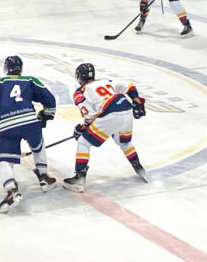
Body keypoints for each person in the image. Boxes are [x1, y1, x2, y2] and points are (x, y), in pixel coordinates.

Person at [0, 55, 58, 213]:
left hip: (6, 125)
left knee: (5, 161)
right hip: (29, 120)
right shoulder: (30, 80)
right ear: (21, 69)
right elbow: (49, 99)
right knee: (38, 146)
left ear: (6, 68)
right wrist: (46, 114)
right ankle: (43, 176)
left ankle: (11, 190)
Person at [61, 63, 147, 192]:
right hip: (126, 110)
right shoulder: (106, 81)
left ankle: (79, 178)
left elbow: (89, 115)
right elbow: (130, 86)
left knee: (83, 142)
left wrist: (83, 128)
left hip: (110, 114)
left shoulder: (80, 92)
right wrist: (137, 101)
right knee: (125, 142)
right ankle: (139, 169)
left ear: (79, 77)